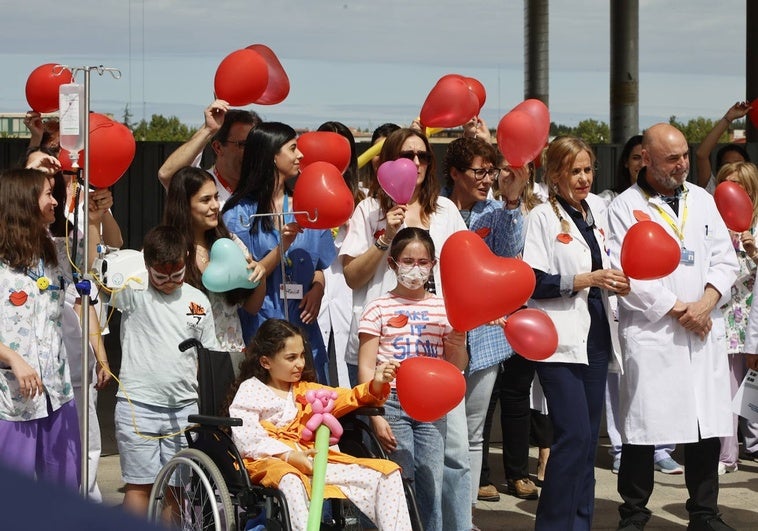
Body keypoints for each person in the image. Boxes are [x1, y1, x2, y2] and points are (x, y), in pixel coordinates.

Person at [607, 123, 739, 531]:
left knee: (704, 425)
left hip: (702, 330)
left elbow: (725, 259)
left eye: (685, 155)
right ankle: (633, 514)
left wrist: (706, 303)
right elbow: (625, 272)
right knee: (644, 426)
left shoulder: (702, 199)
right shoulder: (625, 207)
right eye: (672, 158)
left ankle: (704, 513)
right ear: (645, 158)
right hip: (655, 333)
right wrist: (681, 309)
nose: (682, 164)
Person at [340, 128, 470, 531]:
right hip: (383, 354)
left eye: (423, 156)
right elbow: (351, 277)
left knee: (454, 456)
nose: (415, 163)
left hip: (437, 351)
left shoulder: (446, 210)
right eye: (407, 155)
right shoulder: (368, 210)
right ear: (388, 163)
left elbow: (465, 271)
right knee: (393, 464)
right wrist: (383, 239)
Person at [522, 136, 628, 530]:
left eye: (588, 170)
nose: (584, 179)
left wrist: (616, 281)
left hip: (597, 334)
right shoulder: (542, 218)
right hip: (558, 339)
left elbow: (607, 262)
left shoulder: (594, 213)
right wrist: (586, 278)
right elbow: (532, 280)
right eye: (575, 171)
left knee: (586, 445)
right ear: (554, 174)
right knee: (573, 438)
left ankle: (580, 523)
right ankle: (552, 525)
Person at [226, 318, 412, 531]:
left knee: (386, 473)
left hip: (313, 461)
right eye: (291, 357)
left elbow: (349, 397)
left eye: (303, 355)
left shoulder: (306, 390)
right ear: (266, 362)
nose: (300, 363)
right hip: (270, 463)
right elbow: (248, 438)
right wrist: (288, 456)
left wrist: (377, 382)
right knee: (291, 479)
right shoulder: (251, 390)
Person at [357, 227, 467, 531]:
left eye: (423, 261)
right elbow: (366, 368)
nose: (416, 268)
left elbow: (457, 366)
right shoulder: (377, 307)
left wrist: (458, 343)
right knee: (395, 481)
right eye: (408, 261)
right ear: (392, 264)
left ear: (433, 264)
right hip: (390, 402)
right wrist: (375, 414)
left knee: (431, 481)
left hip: (433, 407)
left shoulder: (444, 307)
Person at [108, 225, 220, 517]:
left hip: (183, 408)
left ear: (186, 258)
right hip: (138, 406)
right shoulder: (134, 291)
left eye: (177, 274)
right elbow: (100, 270)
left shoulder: (198, 301)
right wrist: (96, 219)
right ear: (147, 266)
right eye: (160, 275)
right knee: (139, 487)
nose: (169, 282)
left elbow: (207, 356)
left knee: (177, 489)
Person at [0, 168, 100, 490]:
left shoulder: (56, 251)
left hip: (57, 393)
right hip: (11, 401)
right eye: (48, 194)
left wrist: (94, 218)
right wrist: (13, 358)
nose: (55, 202)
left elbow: (91, 257)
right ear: (25, 202)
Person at [223, 122, 336, 384]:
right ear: (272, 156)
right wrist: (281, 247)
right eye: (293, 148)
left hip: (303, 330)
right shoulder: (239, 215)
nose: (301, 156)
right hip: (262, 329)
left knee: (312, 412)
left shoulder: (309, 208)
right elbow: (245, 278)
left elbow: (319, 265)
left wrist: (317, 289)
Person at [600, 134, 684, 476]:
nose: (640, 163)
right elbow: (622, 264)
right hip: (631, 309)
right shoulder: (618, 205)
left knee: (663, 388)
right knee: (626, 386)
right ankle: (622, 448)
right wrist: (672, 305)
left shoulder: (690, 199)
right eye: (636, 157)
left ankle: (663, 448)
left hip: (676, 315)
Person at [465, 153, 545, 504]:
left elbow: (515, 255)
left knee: (517, 393)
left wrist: (514, 200)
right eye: (487, 171)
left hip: (520, 312)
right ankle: (482, 476)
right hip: (484, 317)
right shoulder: (483, 210)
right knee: (488, 398)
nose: (492, 177)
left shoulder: (538, 204)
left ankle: (518, 473)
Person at [163, 166, 266, 353]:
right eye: (205, 200)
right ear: (184, 205)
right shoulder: (167, 247)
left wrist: (260, 276)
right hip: (185, 357)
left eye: (216, 197)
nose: (215, 205)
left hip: (229, 353)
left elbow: (251, 307)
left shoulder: (231, 243)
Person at [713, 161, 758, 474]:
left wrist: (754, 252)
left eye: (737, 186)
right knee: (728, 390)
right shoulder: (716, 227)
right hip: (728, 319)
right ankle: (727, 455)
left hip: (753, 317)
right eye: (725, 184)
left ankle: (754, 447)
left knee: (754, 387)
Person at [158, 99, 262, 205]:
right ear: (218, 148)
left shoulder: (266, 189)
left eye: (256, 145)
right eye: (243, 144)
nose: (252, 151)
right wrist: (209, 129)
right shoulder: (200, 185)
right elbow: (167, 175)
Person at [694, 101, 752, 191]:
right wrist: (728, 118)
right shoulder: (713, 190)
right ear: (719, 169)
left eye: (738, 163)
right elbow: (701, 154)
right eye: (727, 164)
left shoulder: (754, 191)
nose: (733, 167)